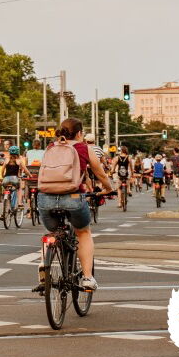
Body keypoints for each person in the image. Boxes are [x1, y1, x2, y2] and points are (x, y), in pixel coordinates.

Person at [36, 117, 114, 293]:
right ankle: (87, 278)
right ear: (80, 133)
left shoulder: (50, 147)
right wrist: (108, 189)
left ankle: (44, 262)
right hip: (72, 196)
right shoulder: (83, 148)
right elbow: (100, 174)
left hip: (45, 198)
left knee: (53, 233)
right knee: (83, 232)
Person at [2, 146, 25, 212]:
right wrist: (30, 175)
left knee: (6, 190)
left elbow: (2, 170)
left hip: (6, 179)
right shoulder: (19, 160)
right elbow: (25, 170)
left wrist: (2, 176)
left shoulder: (6, 160)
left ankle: (5, 208)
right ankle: (20, 203)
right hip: (15, 179)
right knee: (19, 188)